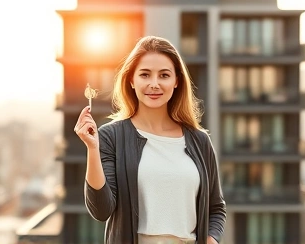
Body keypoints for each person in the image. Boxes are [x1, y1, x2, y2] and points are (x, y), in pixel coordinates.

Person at [74, 36, 227, 244]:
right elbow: (101, 210)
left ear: (176, 82)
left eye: (164, 75)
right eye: (145, 75)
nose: (154, 84)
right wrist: (92, 149)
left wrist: (211, 239)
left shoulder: (199, 140)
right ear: (131, 80)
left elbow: (216, 208)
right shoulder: (112, 136)